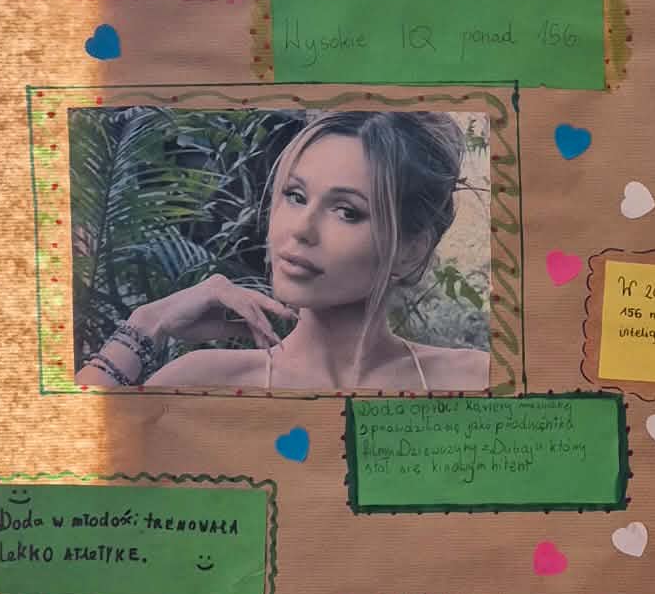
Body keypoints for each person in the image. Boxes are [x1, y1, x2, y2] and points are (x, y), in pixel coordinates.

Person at [76, 109, 490, 393]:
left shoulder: (474, 381)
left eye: (347, 211)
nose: (302, 229)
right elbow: (58, 461)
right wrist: (147, 323)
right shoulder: (205, 382)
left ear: (410, 251)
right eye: (295, 196)